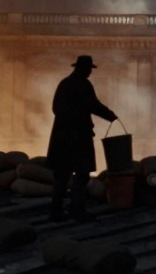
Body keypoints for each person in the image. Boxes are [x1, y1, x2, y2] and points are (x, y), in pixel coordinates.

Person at [46, 55, 117, 221]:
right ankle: (77, 210)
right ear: (83, 69)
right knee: (82, 173)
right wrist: (111, 115)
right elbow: (93, 105)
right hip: (79, 136)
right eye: (89, 69)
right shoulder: (83, 84)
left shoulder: (64, 83)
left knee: (61, 174)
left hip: (61, 136)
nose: (90, 73)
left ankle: (56, 211)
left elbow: (55, 108)